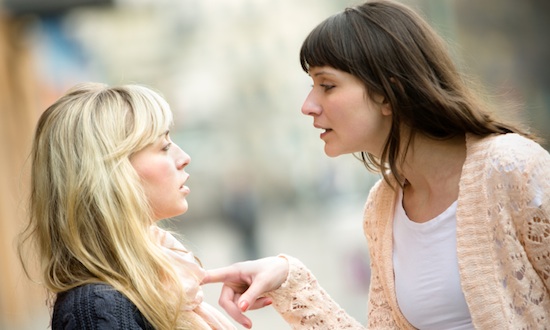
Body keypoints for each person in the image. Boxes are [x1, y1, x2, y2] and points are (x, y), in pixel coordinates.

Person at [202, 0, 550, 329]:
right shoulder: (382, 207)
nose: (308, 105)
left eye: (327, 85)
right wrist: (287, 279)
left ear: (388, 93)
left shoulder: (513, 168)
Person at [17, 83, 242, 329]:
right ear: (110, 174)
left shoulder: (161, 277)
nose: (184, 158)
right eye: (164, 146)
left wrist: (284, 277)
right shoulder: (97, 311)